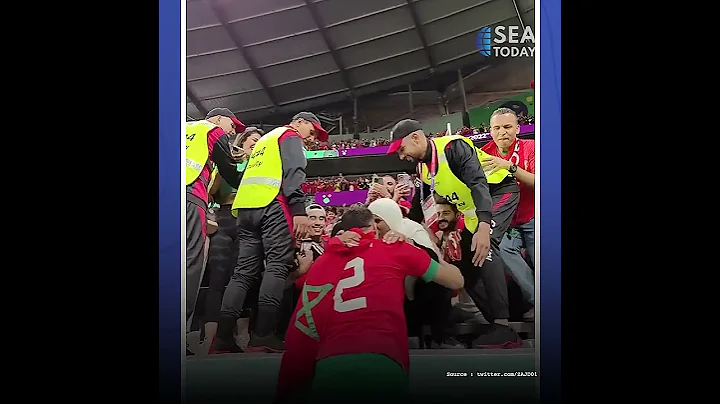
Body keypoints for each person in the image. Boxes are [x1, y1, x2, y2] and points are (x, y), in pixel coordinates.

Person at [275, 207, 463, 404]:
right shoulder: (397, 248)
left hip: (330, 364)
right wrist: (433, 253)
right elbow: (456, 281)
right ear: (373, 227)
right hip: (382, 359)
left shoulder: (323, 262)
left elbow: (306, 321)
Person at [387, 118, 522, 348]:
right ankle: (492, 323)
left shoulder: (453, 147)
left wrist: (483, 225)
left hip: (499, 193)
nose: (401, 156)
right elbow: (422, 207)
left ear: (416, 138)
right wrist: (401, 229)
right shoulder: (423, 168)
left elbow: (478, 182)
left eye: (402, 149)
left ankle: (503, 325)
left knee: (485, 245)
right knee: (463, 262)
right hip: (474, 211)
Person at [213, 112, 328, 353]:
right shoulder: (290, 136)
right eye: (312, 130)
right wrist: (298, 209)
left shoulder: (265, 140)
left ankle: (222, 339)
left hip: (245, 209)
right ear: (299, 123)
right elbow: (294, 172)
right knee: (276, 266)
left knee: (242, 273)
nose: (312, 137)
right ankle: (263, 335)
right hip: (272, 205)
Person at [197, 127, 263, 354]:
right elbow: (210, 191)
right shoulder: (226, 162)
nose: (256, 144)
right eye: (252, 140)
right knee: (218, 279)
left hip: (248, 221)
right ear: (242, 141)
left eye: (259, 142)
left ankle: (241, 334)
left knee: (244, 278)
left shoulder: (262, 165)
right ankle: (211, 336)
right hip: (225, 221)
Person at [368, 198, 464, 349]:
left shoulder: (412, 230)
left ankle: (441, 337)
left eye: (378, 221)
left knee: (433, 279)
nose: (374, 226)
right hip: (388, 297)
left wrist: (409, 246)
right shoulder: (368, 237)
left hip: (417, 295)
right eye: (371, 221)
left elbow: (435, 264)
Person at [184, 108, 246, 342]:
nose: (232, 131)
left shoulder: (181, 129)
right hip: (190, 196)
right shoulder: (213, 130)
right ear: (220, 119)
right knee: (191, 263)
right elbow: (230, 172)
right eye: (233, 125)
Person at [481, 108, 536, 321]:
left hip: (533, 217)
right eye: (497, 128)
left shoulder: (530, 147)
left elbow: (540, 182)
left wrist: (510, 167)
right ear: (491, 131)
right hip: (507, 223)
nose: (502, 132)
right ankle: (536, 302)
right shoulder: (484, 155)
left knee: (540, 260)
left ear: (517, 128)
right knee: (501, 250)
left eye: (507, 127)